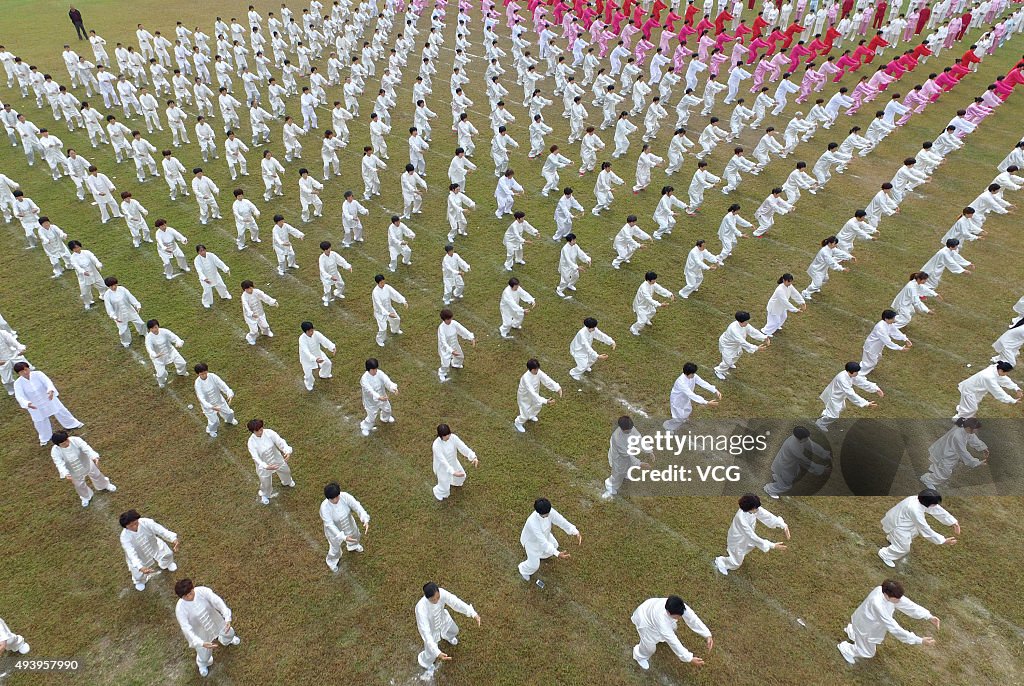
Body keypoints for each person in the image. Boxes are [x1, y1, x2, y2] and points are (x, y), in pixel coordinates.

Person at [837, 580, 938, 664]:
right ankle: (846, 649)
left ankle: (854, 634)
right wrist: (919, 640)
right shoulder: (878, 605)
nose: (899, 601)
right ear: (887, 595)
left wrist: (928, 616)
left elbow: (907, 604)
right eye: (897, 599)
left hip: (863, 621)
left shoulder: (884, 591)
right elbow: (894, 627)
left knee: (860, 635)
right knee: (868, 652)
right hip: (866, 629)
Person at [174, 579, 240, 678]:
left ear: (193, 588)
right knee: (204, 655)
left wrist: (227, 617)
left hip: (216, 622)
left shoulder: (202, 591)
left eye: (191, 593)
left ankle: (226, 640)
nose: (190, 596)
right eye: (186, 596)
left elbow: (217, 601)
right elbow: (186, 628)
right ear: (181, 597)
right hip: (200, 633)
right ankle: (202, 664)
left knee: (229, 633)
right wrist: (200, 643)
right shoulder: (180, 609)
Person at [878, 490, 959, 567]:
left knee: (914, 532)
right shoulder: (915, 510)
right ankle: (885, 554)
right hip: (898, 526)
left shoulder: (919, 499)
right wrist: (943, 540)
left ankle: (893, 539)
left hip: (903, 521)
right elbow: (925, 529)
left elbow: (936, 509)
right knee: (903, 548)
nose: (935, 506)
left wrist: (953, 522)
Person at [714, 493, 790, 575]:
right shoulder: (741, 519)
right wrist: (772, 545)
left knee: (750, 546)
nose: (758, 510)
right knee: (737, 562)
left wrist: (782, 524)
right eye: (755, 508)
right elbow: (751, 536)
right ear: (749, 508)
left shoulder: (752, 510)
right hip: (738, 539)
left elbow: (765, 515)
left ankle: (738, 555)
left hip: (746, 535)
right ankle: (721, 562)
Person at [415, 582, 481, 674]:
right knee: (431, 651)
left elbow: (456, 602)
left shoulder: (442, 592)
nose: (437, 601)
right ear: (427, 598)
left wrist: (473, 613)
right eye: (433, 600)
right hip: (431, 630)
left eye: (438, 597)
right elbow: (426, 632)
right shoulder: (421, 608)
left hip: (443, 620)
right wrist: (437, 653)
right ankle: (425, 662)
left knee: (454, 630)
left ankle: (447, 636)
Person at [630, 596, 712, 670]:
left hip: (651, 610)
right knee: (649, 647)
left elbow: (692, 618)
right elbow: (673, 641)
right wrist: (689, 658)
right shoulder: (661, 621)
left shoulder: (679, 605)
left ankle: (659, 638)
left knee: (673, 627)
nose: (680, 617)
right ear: (668, 613)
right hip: (645, 622)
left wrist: (707, 634)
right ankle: (639, 656)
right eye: (677, 616)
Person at [13, 362, 83, 445]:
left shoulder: (38, 374)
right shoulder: (18, 383)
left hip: (48, 397)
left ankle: (72, 424)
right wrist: (27, 403)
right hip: (34, 404)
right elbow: (19, 396)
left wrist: (50, 390)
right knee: (40, 420)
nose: (25, 372)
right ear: (18, 373)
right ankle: (45, 437)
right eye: (21, 372)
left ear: (28, 368)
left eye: (25, 369)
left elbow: (48, 382)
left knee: (60, 411)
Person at [518, 497, 580, 580]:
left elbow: (561, 520)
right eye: (546, 514)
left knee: (555, 545)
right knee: (534, 565)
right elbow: (542, 542)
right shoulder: (532, 522)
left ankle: (541, 554)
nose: (549, 514)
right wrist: (557, 553)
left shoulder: (549, 511)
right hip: (531, 542)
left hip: (545, 535)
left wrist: (574, 531)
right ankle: (523, 569)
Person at [50, 430, 114, 507]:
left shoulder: (76, 440)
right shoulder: (55, 451)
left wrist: (94, 457)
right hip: (73, 471)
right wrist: (66, 473)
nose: (67, 443)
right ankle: (85, 496)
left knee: (97, 475)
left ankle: (104, 485)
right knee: (79, 485)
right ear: (58, 445)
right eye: (63, 443)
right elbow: (59, 463)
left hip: (86, 463)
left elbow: (86, 448)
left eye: (67, 440)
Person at [118, 509, 179, 591]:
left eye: (136, 523)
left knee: (167, 554)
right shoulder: (124, 537)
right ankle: (139, 581)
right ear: (126, 527)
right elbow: (131, 553)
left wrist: (173, 539)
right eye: (131, 526)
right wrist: (140, 567)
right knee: (137, 573)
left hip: (155, 546)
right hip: (139, 556)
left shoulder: (146, 522)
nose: (134, 527)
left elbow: (161, 530)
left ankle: (166, 564)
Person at [763, 426, 831, 498]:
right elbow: (805, 461)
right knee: (786, 485)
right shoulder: (793, 447)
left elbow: (812, 445)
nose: (807, 439)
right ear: (799, 438)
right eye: (806, 438)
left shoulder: (800, 439)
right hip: (784, 466)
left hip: (788, 464)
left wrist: (825, 454)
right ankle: (769, 489)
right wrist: (821, 469)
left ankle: (778, 478)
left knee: (794, 474)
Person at [922, 418, 988, 490]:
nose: (976, 431)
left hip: (949, 453)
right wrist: (977, 463)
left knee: (941, 469)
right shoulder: (957, 436)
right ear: (969, 428)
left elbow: (972, 438)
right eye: (976, 429)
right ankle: (927, 480)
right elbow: (963, 452)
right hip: (946, 455)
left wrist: (983, 448)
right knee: (945, 473)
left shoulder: (965, 429)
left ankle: (930, 477)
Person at [816, 361, 883, 431]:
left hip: (838, 397)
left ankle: (825, 415)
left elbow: (861, 382)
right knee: (833, 415)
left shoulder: (850, 374)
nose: (857, 373)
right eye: (856, 372)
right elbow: (851, 394)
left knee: (840, 408)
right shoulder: (842, 379)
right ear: (852, 372)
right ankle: (820, 424)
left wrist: (876, 388)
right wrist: (866, 403)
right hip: (833, 397)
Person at [320, 481, 370, 571]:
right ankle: (332, 561)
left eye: (337, 497)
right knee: (335, 548)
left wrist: (364, 518)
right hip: (334, 531)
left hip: (349, 523)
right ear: (328, 498)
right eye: (333, 499)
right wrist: (343, 537)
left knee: (356, 535)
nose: (335, 500)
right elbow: (329, 525)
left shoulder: (345, 496)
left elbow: (356, 506)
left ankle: (353, 546)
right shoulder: (324, 508)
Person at [246, 418, 294, 504]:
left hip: (277, 459)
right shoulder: (251, 442)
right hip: (264, 466)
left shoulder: (269, 433)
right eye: (257, 431)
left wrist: (287, 451)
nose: (261, 432)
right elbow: (255, 457)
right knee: (266, 483)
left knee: (286, 471)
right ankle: (265, 494)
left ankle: (287, 481)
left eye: (261, 429)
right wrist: (266, 466)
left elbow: (280, 441)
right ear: (253, 431)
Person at [602, 416, 652, 500]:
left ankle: (625, 474)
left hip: (627, 454)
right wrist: (639, 464)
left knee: (627, 468)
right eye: (628, 430)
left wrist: (649, 450)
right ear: (622, 429)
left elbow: (639, 439)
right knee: (618, 474)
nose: (630, 431)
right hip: (619, 459)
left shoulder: (630, 428)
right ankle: (610, 487)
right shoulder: (617, 439)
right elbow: (626, 455)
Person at [953, 361, 1021, 419]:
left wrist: (1016, 388)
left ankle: (961, 409)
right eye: (1006, 372)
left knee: (971, 404)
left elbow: (1004, 379)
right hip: (970, 390)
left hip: (976, 390)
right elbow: (998, 392)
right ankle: (958, 419)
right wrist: (1012, 400)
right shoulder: (989, 377)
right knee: (972, 409)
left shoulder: (995, 369)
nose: (1007, 374)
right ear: (1001, 370)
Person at [713, 311, 769, 379]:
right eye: (746, 321)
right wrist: (756, 348)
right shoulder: (734, 330)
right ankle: (718, 371)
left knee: (739, 353)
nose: (747, 323)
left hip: (735, 344)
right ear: (740, 321)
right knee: (727, 361)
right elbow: (742, 342)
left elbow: (752, 331)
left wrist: (764, 337)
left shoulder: (744, 324)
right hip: (727, 345)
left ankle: (729, 365)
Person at [666, 362, 721, 430]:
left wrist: (715, 390)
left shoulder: (693, 376)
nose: (694, 375)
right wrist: (706, 402)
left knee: (688, 410)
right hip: (677, 400)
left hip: (685, 398)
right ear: (688, 373)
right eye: (693, 373)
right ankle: (668, 427)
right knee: (678, 416)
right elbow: (691, 395)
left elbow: (702, 383)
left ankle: (682, 420)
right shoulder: (681, 382)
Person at [432, 424, 478, 500]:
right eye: (445, 436)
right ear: (440, 436)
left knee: (462, 477)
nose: (448, 437)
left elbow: (463, 447)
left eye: (448, 435)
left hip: (453, 462)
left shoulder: (453, 437)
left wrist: (473, 457)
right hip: (442, 467)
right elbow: (443, 461)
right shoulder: (436, 445)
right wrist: (453, 472)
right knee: (445, 488)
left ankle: (453, 481)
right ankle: (439, 491)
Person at [515, 359, 562, 432]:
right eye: (535, 369)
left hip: (534, 393)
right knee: (525, 414)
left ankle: (531, 416)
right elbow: (532, 393)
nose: (537, 371)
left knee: (538, 405)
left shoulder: (538, 372)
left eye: (537, 368)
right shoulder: (526, 378)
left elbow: (546, 379)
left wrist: (557, 388)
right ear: (531, 369)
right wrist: (546, 401)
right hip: (525, 397)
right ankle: (518, 422)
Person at [859, 310, 911, 376]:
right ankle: (859, 374)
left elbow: (894, 331)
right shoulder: (880, 328)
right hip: (871, 347)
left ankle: (864, 369)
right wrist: (900, 348)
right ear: (886, 319)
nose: (894, 320)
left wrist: (905, 339)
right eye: (893, 318)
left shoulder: (888, 324)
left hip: (877, 347)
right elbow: (888, 342)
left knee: (876, 358)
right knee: (870, 362)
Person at [194, 363, 236, 438]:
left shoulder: (213, 376)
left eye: (205, 373)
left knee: (229, 413)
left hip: (219, 400)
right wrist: (212, 407)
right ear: (198, 374)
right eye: (201, 374)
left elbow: (222, 385)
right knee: (214, 421)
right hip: (208, 406)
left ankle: (229, 420)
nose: (204, 375)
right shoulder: (197, 384)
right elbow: (201, 398)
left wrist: (229, 393)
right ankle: (211, 430)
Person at [359, 358, 398, 437]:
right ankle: (365, 427)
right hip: (371, 402)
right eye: (373, 370)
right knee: (372, 417)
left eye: (376, 369)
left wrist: (393, 387)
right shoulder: (364, 379)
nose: (375, 371)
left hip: (383, 396)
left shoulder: (379, 373)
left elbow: (386, 380)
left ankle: (385, 418)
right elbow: (370, 391)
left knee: (387, 409)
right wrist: (379, 397)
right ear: (368, 369)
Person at [145, 319, 187, 389]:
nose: (154, 329)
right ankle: (161, 382)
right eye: (152, 328)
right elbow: (149, 348)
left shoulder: (164, 331)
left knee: (182, 363)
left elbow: (173, 336)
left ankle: (181, 372)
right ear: (149, 329)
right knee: (161, 374)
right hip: (158, 357)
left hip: (170, 351)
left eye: (155, 327)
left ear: (158, 326)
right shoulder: (148, 337)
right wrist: (155, 355)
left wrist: (178, 342)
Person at [630, 271, 674, 336]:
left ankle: (647, 319)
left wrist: (670, 294)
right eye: (654, 280)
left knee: (653, 311)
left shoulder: (653, 284)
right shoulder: (644, 288)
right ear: (649, 280)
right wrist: (660, 304)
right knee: (642, 321)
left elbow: (660, 289)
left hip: (647, 304)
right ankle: (633, 329)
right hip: (640, 306)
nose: (655, 281)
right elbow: (649, 299)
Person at [437, 309, 475, 383]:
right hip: (445, 348)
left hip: (454, 344)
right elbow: (443, 342)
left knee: (460, 356)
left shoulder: (454, 323)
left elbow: (462, 329)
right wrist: (451, 351)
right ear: (444, 319)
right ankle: (441, 373)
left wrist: (471, 337)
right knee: (445, 363)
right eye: (449, 319)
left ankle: (456, 363)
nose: (450, 320)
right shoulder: (441, 329)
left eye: (451, 318)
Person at [371, 274, 408, 347]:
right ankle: (379, 340)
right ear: (377, 283)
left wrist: (403, 301)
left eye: (383, 282)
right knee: (383, 328)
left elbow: (395, 293)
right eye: (381, 282)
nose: (383, 284)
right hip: (380, 313)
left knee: (397, 319)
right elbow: (379, 305)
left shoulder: (387, 287)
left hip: (389, 308)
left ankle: (395, 330)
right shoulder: (375, 293)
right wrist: (388, 314)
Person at [298, 321, 335, 391]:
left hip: (317, 353)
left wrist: (332, 347)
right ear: (305, 332)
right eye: (310, 331)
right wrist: (315, 359)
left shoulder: (316, 334)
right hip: (306, 358)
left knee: (328, 363)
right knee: (308, 374)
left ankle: (324, 374)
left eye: (312, 330)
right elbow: (306, 352)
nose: (312, 332)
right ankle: (308, 383)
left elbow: (324, 340)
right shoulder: (302, 339)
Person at [241, 281, 276, 345]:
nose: (250, 290)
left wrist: (272, 302)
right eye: (248, 289)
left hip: (260, 312)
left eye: (251, 288)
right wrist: (251, 314)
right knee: (254, 331)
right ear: (245, 289)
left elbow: (264, 296)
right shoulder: (244, 297)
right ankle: (250, 338)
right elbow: (246, 306)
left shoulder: (256, 291)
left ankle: (266, 332)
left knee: (265, 326)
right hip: (251, 316)